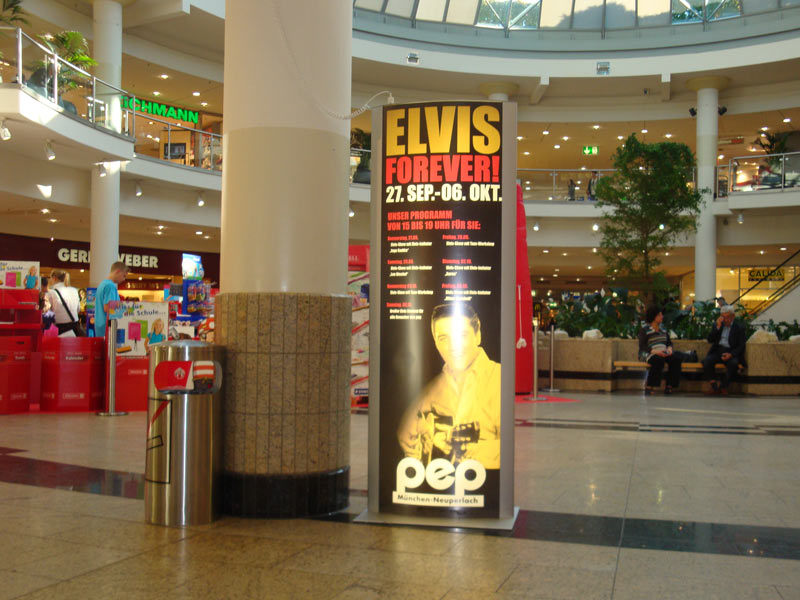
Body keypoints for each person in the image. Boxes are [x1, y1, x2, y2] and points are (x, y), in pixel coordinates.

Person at [397, 303, 501, 469]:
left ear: (478, 334)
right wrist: (419, 446)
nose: (453, 346)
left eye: (462, 335)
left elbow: (505, 447)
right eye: (444, 338)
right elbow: (408, 442)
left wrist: (457, 448)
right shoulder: (432, 390)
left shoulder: (498, 379)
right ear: (435, 342)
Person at [638, 304, 682, 395]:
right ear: (654, 317)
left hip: (663, 352)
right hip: (650, 353)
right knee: (658, 360)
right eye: (659, 315)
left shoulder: (663, 330)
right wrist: (656, 352)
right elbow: (642, 346)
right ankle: (650, 386)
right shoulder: (645, 330)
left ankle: (670, 385)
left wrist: (669, 348)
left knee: (676, 359)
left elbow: (669, 342)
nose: (662, 317)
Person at [703, 304, 746, 395]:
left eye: (727, 317)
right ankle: (714, 386)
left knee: (733, 364)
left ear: (733, 316)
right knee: (707, 361)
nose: (725, 320)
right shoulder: (718, 325)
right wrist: (717, 327)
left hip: (731, 352)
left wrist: (731, 354)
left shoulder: (739, 327)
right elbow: (710, 339)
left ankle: (723, 386)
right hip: (718, 351)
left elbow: (741, 345)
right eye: (723, 317)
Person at [95, 261, 129, 337]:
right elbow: (108, 308)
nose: (124, 279)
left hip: (100, 327)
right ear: (118, 272)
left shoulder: (102, 284)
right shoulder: (110, 286)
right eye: (124, 276)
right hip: (108, 328)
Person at [47, 269, 83, 337]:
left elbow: (48, 312)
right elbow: (78, 309)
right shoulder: (74, 290)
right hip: (75, 329)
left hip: (60, 329)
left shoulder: (51, 292)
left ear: (54, 278)